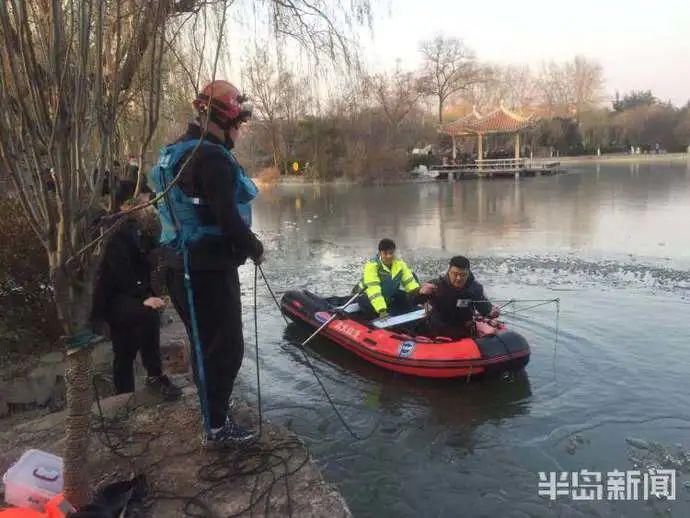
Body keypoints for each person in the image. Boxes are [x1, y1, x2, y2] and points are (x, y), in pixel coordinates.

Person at [148, 79, 263, 447]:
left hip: (178, 265)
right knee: (226, 347)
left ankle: (212, 415)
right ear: (224, 120)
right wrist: (256, 248)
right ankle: (216, 427)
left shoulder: (176, 151)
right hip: (205, 269)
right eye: (239, 125)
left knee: (203, 345)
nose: (240, 133)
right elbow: (228, 219)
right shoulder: (211, 157)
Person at [91, 180, 181, 399]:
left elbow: (145, 257)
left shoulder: (134, 226)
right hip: (112, 299)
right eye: (142, 199)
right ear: (126, 204)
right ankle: (153, 376)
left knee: (125, 348)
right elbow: (120, 273)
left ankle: (124, 394)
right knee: (146, 318)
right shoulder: (113, 232)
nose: (148, 203)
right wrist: (144, 298)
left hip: (125, 294)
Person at [419, 255, 499, 339]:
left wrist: (491, 313)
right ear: (449, 271)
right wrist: (420, 293)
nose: (458, 278)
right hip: (436, 330)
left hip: (463, 331)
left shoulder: (475, 288)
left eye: (463, 275)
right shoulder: (436, 285)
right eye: (455, 274)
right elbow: (414, 300)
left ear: (468, 273)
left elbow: (485, 309)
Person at [356, 239, 420, 319]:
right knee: (372, 307)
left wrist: (421, 298)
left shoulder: (400, 264)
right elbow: (373, 290)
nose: (389, 256)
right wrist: (381, 310)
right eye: (385, 253)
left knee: (407, 298)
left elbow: (410, 283)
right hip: (367, 297)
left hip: (387, 295)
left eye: (391, 253)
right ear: (380, 253)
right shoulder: (372, 266)